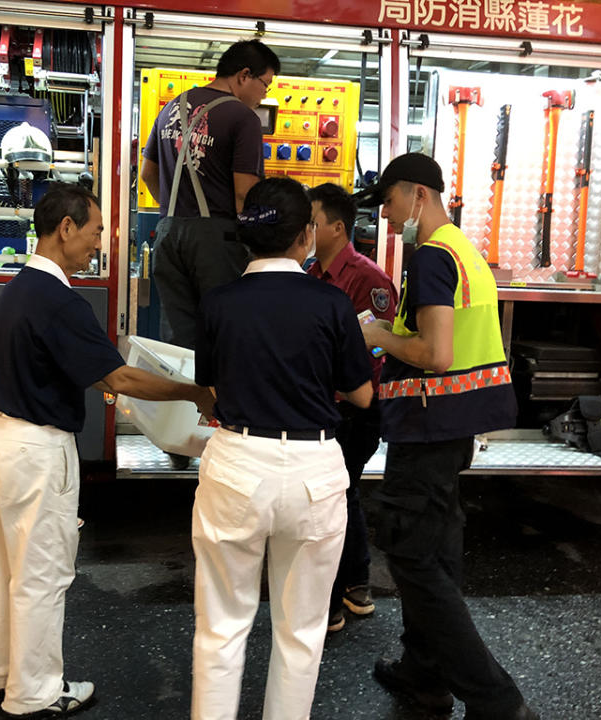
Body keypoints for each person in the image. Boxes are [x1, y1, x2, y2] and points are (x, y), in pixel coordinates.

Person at [0, 182, 215, 718]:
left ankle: (2, 674)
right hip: (36, 448)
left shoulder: (17, 288)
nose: (98, 244)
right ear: (65, 228)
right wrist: (194, 390)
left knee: (3, 565)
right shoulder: (60, 301)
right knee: (41, 573)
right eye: (95, 231)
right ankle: (34, 694)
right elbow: (121, 378)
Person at [359, 154, 539, 720]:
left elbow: (435, 354)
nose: (387, 219)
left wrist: (378, 334)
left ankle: (495, 699)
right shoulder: (464, 251)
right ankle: (425, 674)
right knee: (435, 550)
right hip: (452, 425)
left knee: (411, 553)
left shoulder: (434, 258)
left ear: (417, 195)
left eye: (388, 203)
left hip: (429, 425)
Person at [191, 177, 375, 720]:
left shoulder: (219, 303)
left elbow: (213, 389)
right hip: (314, 472)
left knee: (222, 625)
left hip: (236, 463)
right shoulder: (331, 303)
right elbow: (362, 394)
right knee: (301, 630)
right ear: (305, 237)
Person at [141, 39, 280, 350]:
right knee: (224, 334)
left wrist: (176, 211)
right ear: (244, 75)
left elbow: (148, 175)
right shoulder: (242, 118)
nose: (263, 95)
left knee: (179, 341)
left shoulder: (170, 107)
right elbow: (245, 194)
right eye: (266, 85)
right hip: (216, 240)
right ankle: (219, 399)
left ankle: (186, 398)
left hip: (168, 233)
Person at [306, 183, 398, 633]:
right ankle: (356, 585)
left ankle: (332, 605)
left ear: (337, 228)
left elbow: (377, 356)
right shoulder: (310, 273)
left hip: (356, 410)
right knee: (343, 491)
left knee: (332, 496)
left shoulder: (367, 280)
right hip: (324, 407)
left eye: (314, 221)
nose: (307, 228)